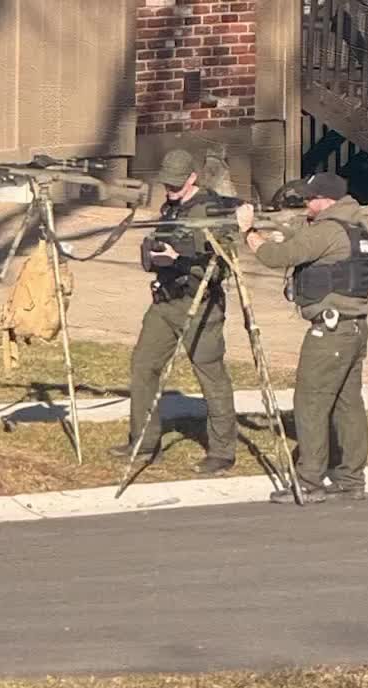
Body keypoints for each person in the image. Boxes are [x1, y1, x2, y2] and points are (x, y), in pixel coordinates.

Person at [236, 172, 368, 503]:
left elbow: (277, 258)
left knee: (310, 401)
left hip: (330, 331)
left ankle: (310, 480)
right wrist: (282, 229)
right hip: (354, 328)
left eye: (310, 199)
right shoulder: (356, 228)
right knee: (347, 404)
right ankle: (350, 478)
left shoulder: (328, 230)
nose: (305, 203)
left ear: (325, 200)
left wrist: (249, 232)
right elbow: (301, 241)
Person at [108, 149, 238, 475]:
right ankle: (144, 441)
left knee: (210, 375)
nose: (170, 190)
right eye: (167, 184)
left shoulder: (211, 208)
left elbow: (223, 260)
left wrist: (179, 256)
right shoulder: (169, 207)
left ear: (192, 178)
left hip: (200, 303)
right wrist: (154, 255)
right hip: (165, 302)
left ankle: (222, 451)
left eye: (176, 185)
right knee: (143, 366)